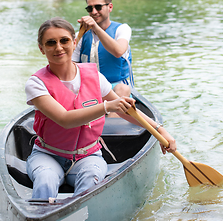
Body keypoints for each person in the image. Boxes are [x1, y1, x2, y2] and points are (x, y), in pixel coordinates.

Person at [25, 17, 176, 200]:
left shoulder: (93, 76)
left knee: (90, 180)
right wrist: (106, 106)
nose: (58, 48)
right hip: (48, 154)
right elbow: (64, 119)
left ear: (74, 43)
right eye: (51, 43)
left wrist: (159, 130)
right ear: (42, 49)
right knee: (45, 179)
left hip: (88, 156)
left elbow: (125, 110)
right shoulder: (36, 83)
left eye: (64, 40)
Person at [72, 0, 133, 99]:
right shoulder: (80, 35)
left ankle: (113, 115)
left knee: (123, 89)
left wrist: (95, 27)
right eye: (90, 9)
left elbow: (118, 51)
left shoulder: (122, 29)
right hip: (89, 89)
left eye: (98, 7)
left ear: (110, 7)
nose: (94, 12)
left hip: (116, 87)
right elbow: (71, 65)